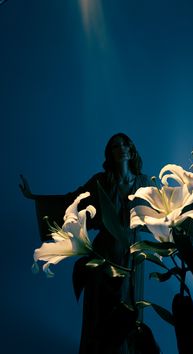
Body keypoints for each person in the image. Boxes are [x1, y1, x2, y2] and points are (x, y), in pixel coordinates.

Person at [19, 133, 158, 354]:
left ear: (131, 151)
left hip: (133, 255)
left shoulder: (145, 182)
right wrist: (35, 197)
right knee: (102, 310)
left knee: (130, 308)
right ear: (110, 154)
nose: (121, 148)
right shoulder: (100, 181)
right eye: (115, 146)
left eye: (124, 145)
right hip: (104, 254)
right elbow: (71, 202)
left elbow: (161, 215)